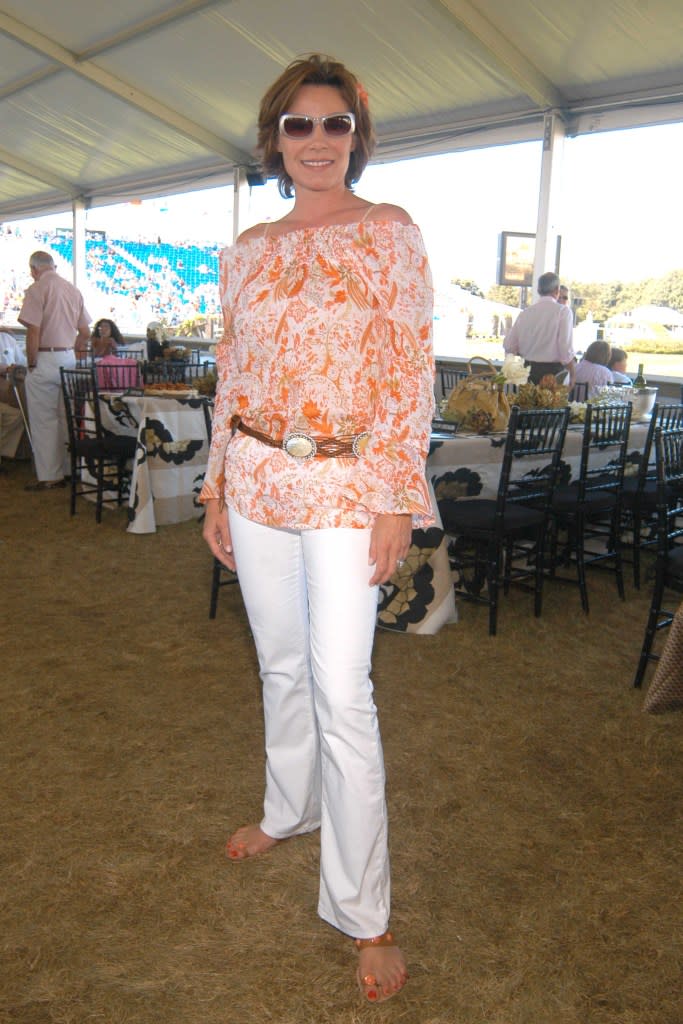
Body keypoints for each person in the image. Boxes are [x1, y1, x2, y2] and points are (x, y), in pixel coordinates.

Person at [201, 54, 434, 1004]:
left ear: (356, 138)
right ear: (274, 139)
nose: (316, 142)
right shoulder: (248, 248)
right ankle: (287, 810)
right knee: (280, 664)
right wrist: (216, 486)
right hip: (254, 476)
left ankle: (363, 911)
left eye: (333, 125)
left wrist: (394, 499)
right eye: (297, 126)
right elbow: (230, 373)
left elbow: (410, 373)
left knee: (344, 690)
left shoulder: (389, 233)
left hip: (346, 485)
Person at [18, 251, 91, 490]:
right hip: (68, 358)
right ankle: (71, 470)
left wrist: (31, 363)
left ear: (33, 269)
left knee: (44, 421)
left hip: (45, 356)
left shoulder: (36, 289)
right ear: (54, 266)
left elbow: (33, 331)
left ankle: (51, 475)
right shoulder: (73, 290)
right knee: (66, 417)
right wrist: (75, 352)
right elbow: (85, 332)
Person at [503, 271, 576, 385]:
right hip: (553, 374)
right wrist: (572, 373)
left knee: (526, 403)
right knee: (551, 403)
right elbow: (565, 349)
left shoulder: (525, 313)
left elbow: (509, 346)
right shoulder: (563, 312)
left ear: (538, 290)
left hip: (527, 373)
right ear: (557, 290)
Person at [0, 329, 28, 470]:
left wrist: (15, 369)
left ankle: (4, 454)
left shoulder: (7, 338)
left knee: (18, 415)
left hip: (8, 384)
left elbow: (22, 362)